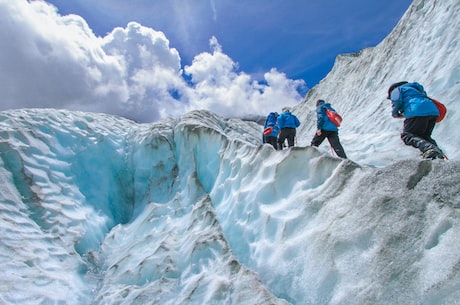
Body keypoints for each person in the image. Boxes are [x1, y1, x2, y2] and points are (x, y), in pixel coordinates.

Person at [387, 81, 444, 159]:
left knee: (407, 136)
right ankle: (438, 154)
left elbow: (397, 101)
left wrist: (395, 113)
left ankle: (430, 150)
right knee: (424, 136)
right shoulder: (416, 89)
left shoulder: (397, 90)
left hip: (416, 110)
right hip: (433, 111)